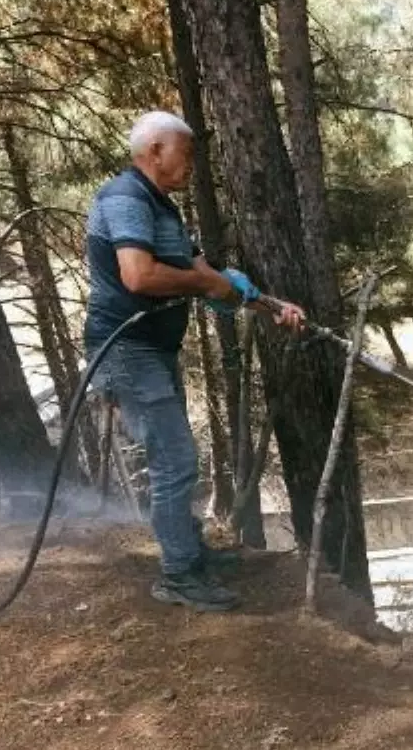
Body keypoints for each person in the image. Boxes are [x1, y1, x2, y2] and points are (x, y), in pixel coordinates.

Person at [84, 110, 305, 612]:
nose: (192, 165)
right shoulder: (125, 198)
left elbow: (205, 272)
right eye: (186, 152)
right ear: (155, 149)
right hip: (125, 348)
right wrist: (208, 283)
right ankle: (179, 575)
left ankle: (189, 552)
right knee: (175, 458)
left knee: (174, 455)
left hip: (154, 349)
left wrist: (270, 305)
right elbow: (139, 276)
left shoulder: (162, 207)